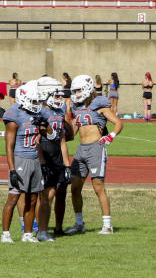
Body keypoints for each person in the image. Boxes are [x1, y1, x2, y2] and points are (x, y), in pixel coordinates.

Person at [65, 74, 122, 235]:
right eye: (74, 91)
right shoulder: (77, 108)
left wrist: (110, 136)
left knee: (98, 187)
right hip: (81, 149)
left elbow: (118, 123)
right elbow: (72, 133)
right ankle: (79, 223)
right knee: (75, 188)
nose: (76, 93)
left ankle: (107, 225)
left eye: (78, 90)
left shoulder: (99, 104)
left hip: (96, 148)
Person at [1, 81, 47, 243]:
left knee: (33, 198)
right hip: (20, 159)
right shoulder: (14, 118)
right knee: (13, 197)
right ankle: (5, 234)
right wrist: (12, 169)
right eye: (34, 101)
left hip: (34, 159)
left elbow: (46, 134)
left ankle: (27, 234)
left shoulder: (36, 116)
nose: (36, 105)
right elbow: (9, 146)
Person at [36, 76, 72, 240]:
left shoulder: (60, 109)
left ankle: (46, 228)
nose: (60, 99)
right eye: (56, 95)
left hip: (57, 154)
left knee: (56, 193)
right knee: (46, 195)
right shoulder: (40, 110)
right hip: (44, 154)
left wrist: (67, 165)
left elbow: (62, 139)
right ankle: (41, 229)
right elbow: (36, 139)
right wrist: (42, 162)